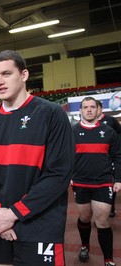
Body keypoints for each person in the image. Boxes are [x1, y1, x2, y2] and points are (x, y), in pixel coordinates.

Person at [0, 50, 74, 265]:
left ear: (24, 75)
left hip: (40, 224)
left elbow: (58, 174)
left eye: (7, 74)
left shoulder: (51, 113)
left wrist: (14, 213)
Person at [72, 97, 121, 266]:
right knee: (85, 218)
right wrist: (69, 176)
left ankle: (108, 260)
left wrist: (119, 179)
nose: (89, 110)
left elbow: (117, 156)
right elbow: (66, 158)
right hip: (80, 182)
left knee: (102, 221)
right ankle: (84, 246)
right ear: (80, 110)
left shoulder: (109, 133)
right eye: (85, 107)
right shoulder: (72, 132)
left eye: (92, 107)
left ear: (98, 110)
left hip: (103, 182)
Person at [97, 100, 121, 218]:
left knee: (111, 181)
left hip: (111, 156)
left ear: (100, 109)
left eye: (96, 107)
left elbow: (119, 133)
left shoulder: (111, 120)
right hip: (97, 158)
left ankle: (111, 205)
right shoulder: (89, 123)